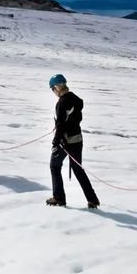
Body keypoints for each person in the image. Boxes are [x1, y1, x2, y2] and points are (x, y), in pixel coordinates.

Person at [46, 74, 100, 208]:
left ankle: (59, 198)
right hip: (77, 139)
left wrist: (55, 141)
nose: (53, 91)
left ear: (58, 87)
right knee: (78, 169)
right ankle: (92, 199)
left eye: (52, 88)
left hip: (65, 141)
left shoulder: (62, 102)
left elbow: (60, 124)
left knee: (54, 166)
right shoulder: (76, 99)